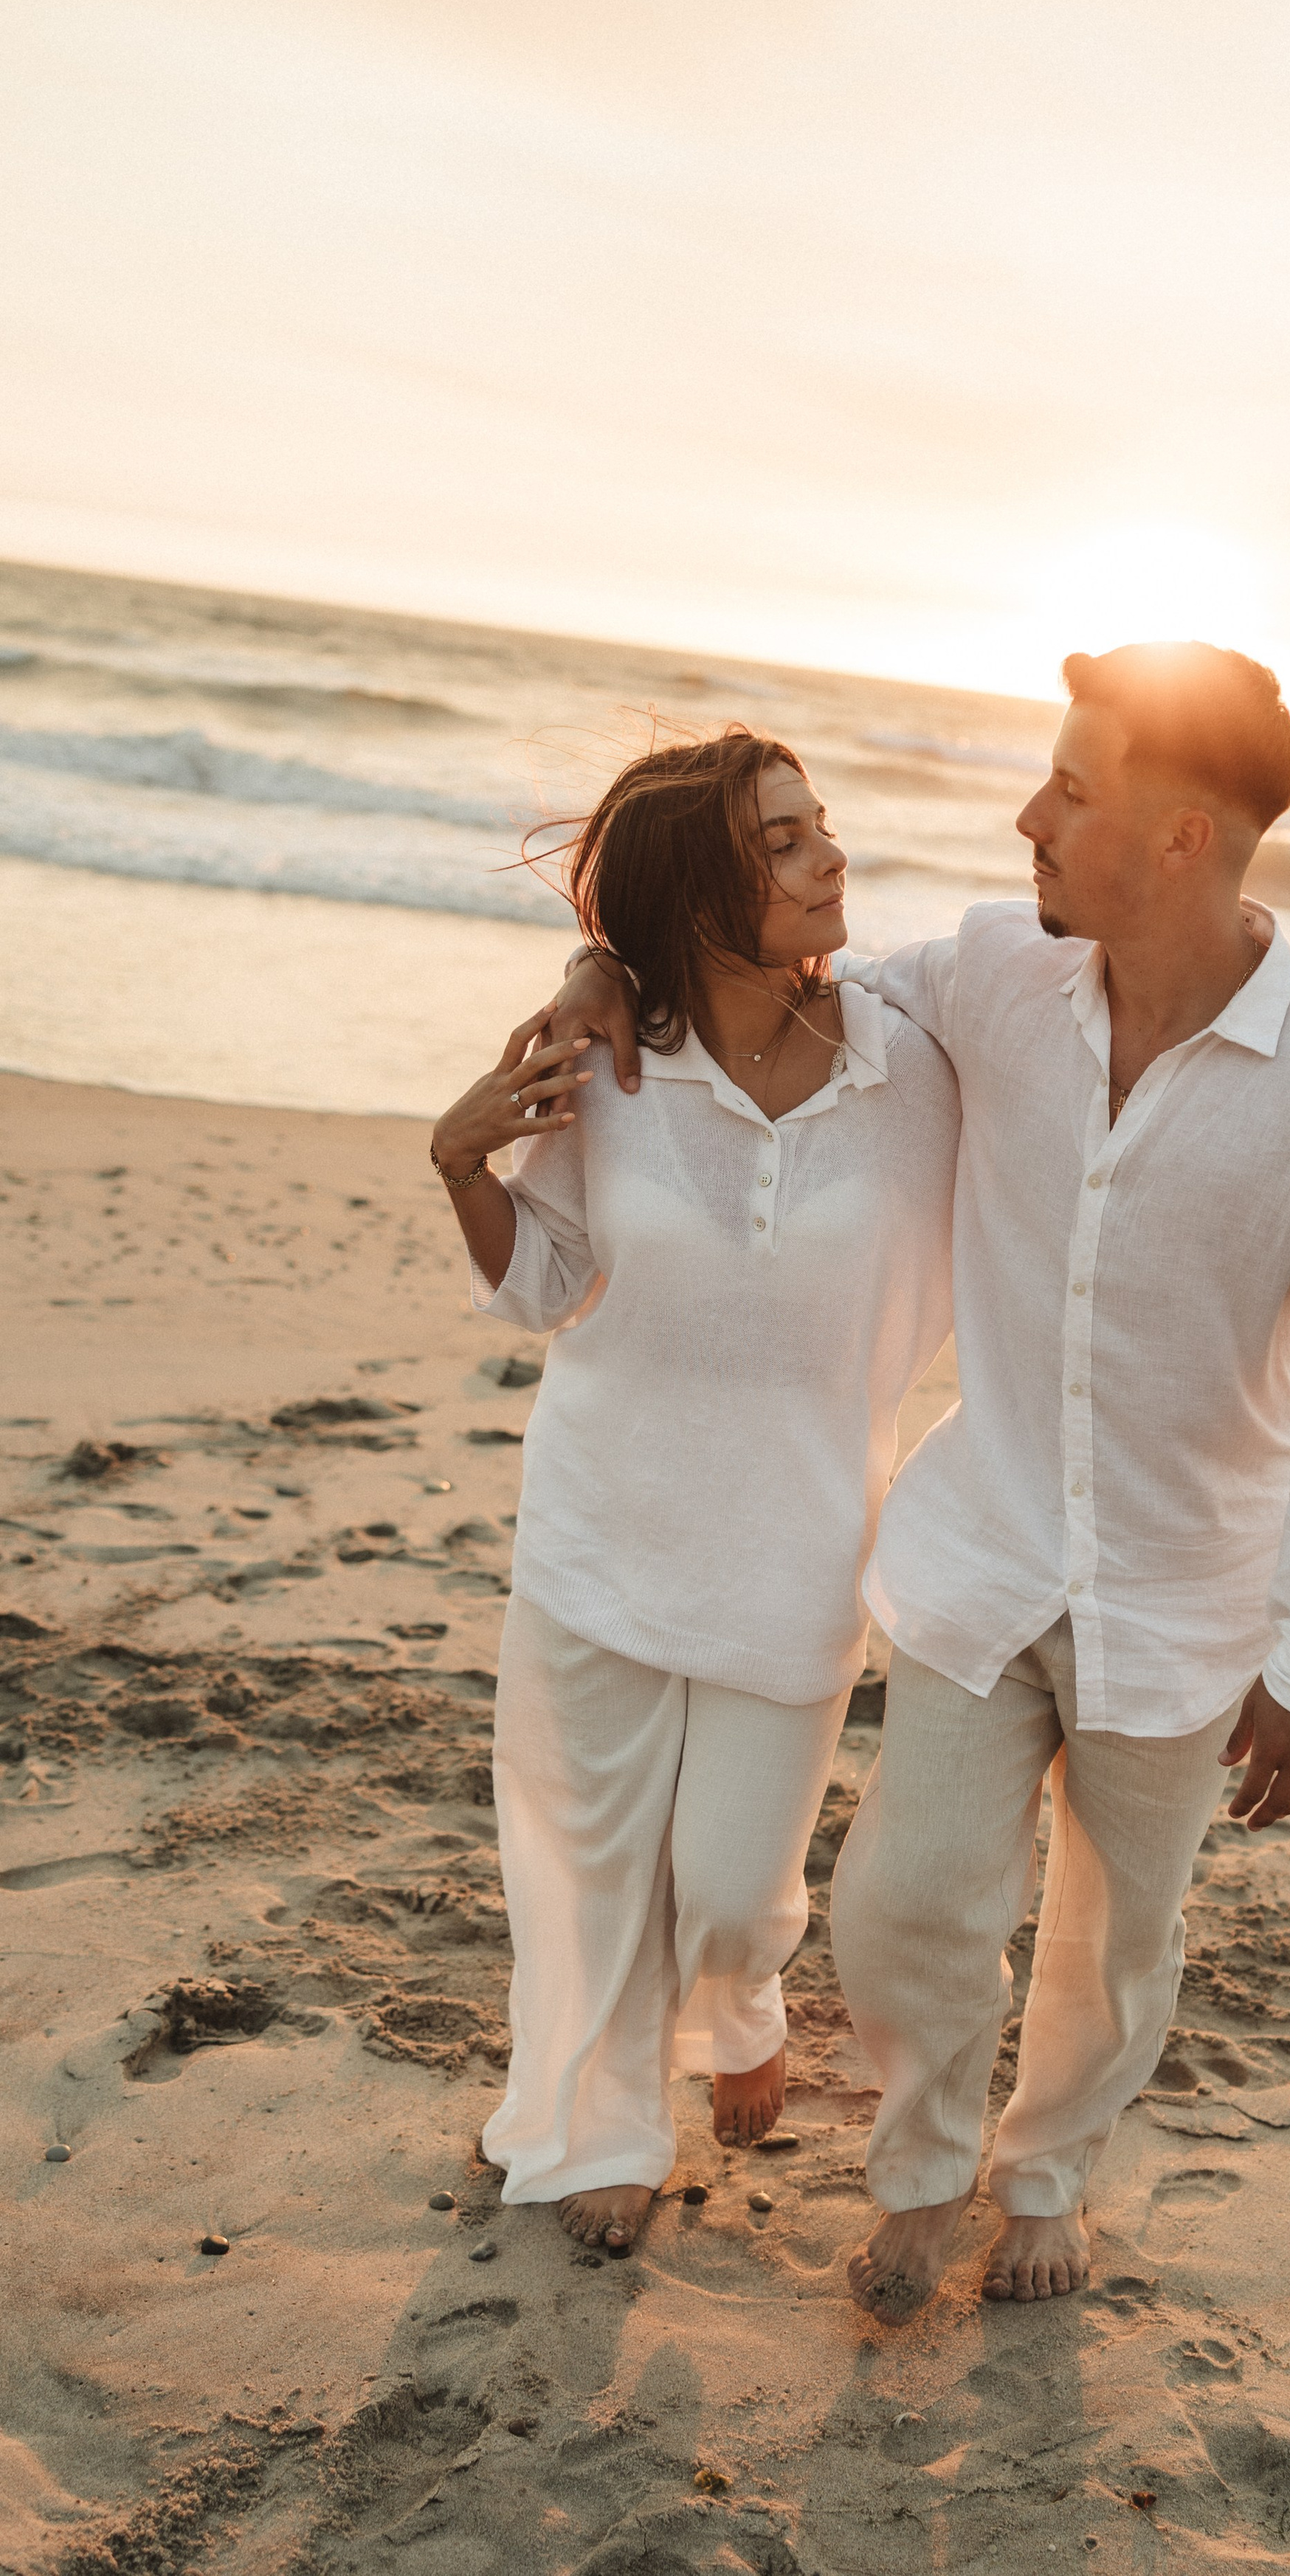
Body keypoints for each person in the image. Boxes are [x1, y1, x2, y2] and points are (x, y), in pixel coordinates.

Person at [545, 641, 1290, 2311]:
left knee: (1118, 1938)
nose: (1027, 817)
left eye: (1071, 792)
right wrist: (607, 968)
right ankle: (921, 2172)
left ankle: (1042, 2180)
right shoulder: (987, 978)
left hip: (1186, 1597)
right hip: (984, 1556)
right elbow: (769, 971)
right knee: (902, 1907)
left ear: (1181, 835)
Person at [427, 727, 957, 2253]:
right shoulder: (609, 1066)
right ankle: (602, 2131)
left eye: (817, 824)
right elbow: (548, 1282)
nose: (827, 857)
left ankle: (738, 2006)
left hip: (798, 1550)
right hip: (601, 1527)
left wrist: (593, 962)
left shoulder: (914, 1059)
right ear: (695, 894)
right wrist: (462, 1167)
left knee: (729, 1892)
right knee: (585, 1870)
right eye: (779, 844)